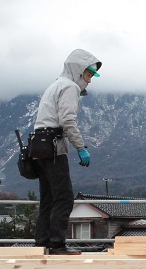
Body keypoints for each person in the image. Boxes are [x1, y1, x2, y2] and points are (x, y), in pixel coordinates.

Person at [33, 48, 101, 256]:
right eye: (88, 75)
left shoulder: (55, 85)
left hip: (39, 146)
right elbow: (67, 121)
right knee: (63, 198)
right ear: (78, 71)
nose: (89, 80)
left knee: (48, 198)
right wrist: (81, 148)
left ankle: (42, 244)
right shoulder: (69, 87)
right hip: (54, 147)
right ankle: (57, 246)